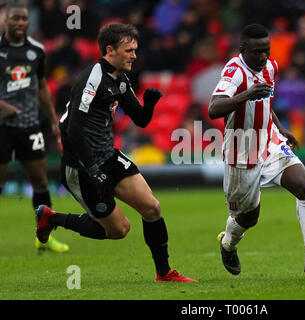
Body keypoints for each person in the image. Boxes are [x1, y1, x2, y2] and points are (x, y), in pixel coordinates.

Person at [35, 23, 196, 282]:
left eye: (135, 49)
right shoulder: (93, 77)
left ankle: (164, 273)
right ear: (110, 50)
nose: (134, 55)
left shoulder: (120, 79)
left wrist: (151, 104)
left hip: (108, 156)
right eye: (128, 50)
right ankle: (52, 219)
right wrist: (92, 168)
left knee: (152, 208)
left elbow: (141, 120)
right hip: (81, 166)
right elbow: (72, 127)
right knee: (118, 230)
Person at [208, 24, 305, 279]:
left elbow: (265, 102)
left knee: (304, 186)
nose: (263, 56)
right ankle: (228, 244)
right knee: (248, 217)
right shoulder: (233, 73)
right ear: (242, 50)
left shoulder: (271, 67)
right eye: (256, 52)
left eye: (266, 50)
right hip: (241, 151)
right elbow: (214, 108)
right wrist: (246, 94)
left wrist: (280, 127)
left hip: (271, 142)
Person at [0, 4, 69, 253]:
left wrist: (52, 118)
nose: (20, 22)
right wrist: (3, 106)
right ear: (6, 21)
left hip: (30, 125)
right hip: (2, 126)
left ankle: (45, 237)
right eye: (15, 18)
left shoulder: (36, 51)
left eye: (24, 19)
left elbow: (41, 86)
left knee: (40, 181)